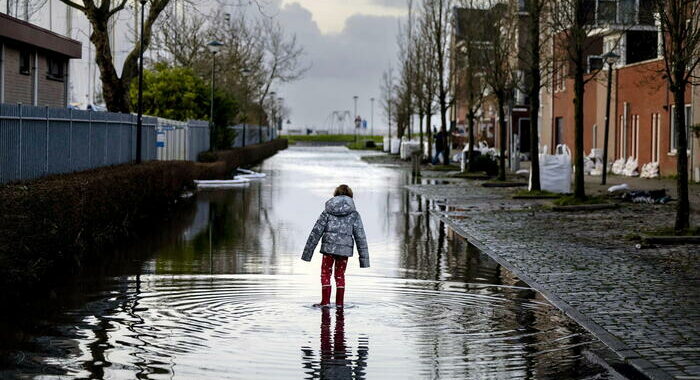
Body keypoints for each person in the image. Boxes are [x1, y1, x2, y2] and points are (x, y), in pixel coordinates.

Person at [302, 184, 370, 308]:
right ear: (350, 197)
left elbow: (315, 232)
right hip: (344, 251)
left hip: (328, 249)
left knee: (325, 274)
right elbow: (361, 237)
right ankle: (339, 304)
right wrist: (364, 261)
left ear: (335, 195)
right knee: (340, 275)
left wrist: (307, 254)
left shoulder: (327, 212)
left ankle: (325, 302)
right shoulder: (354, 214)